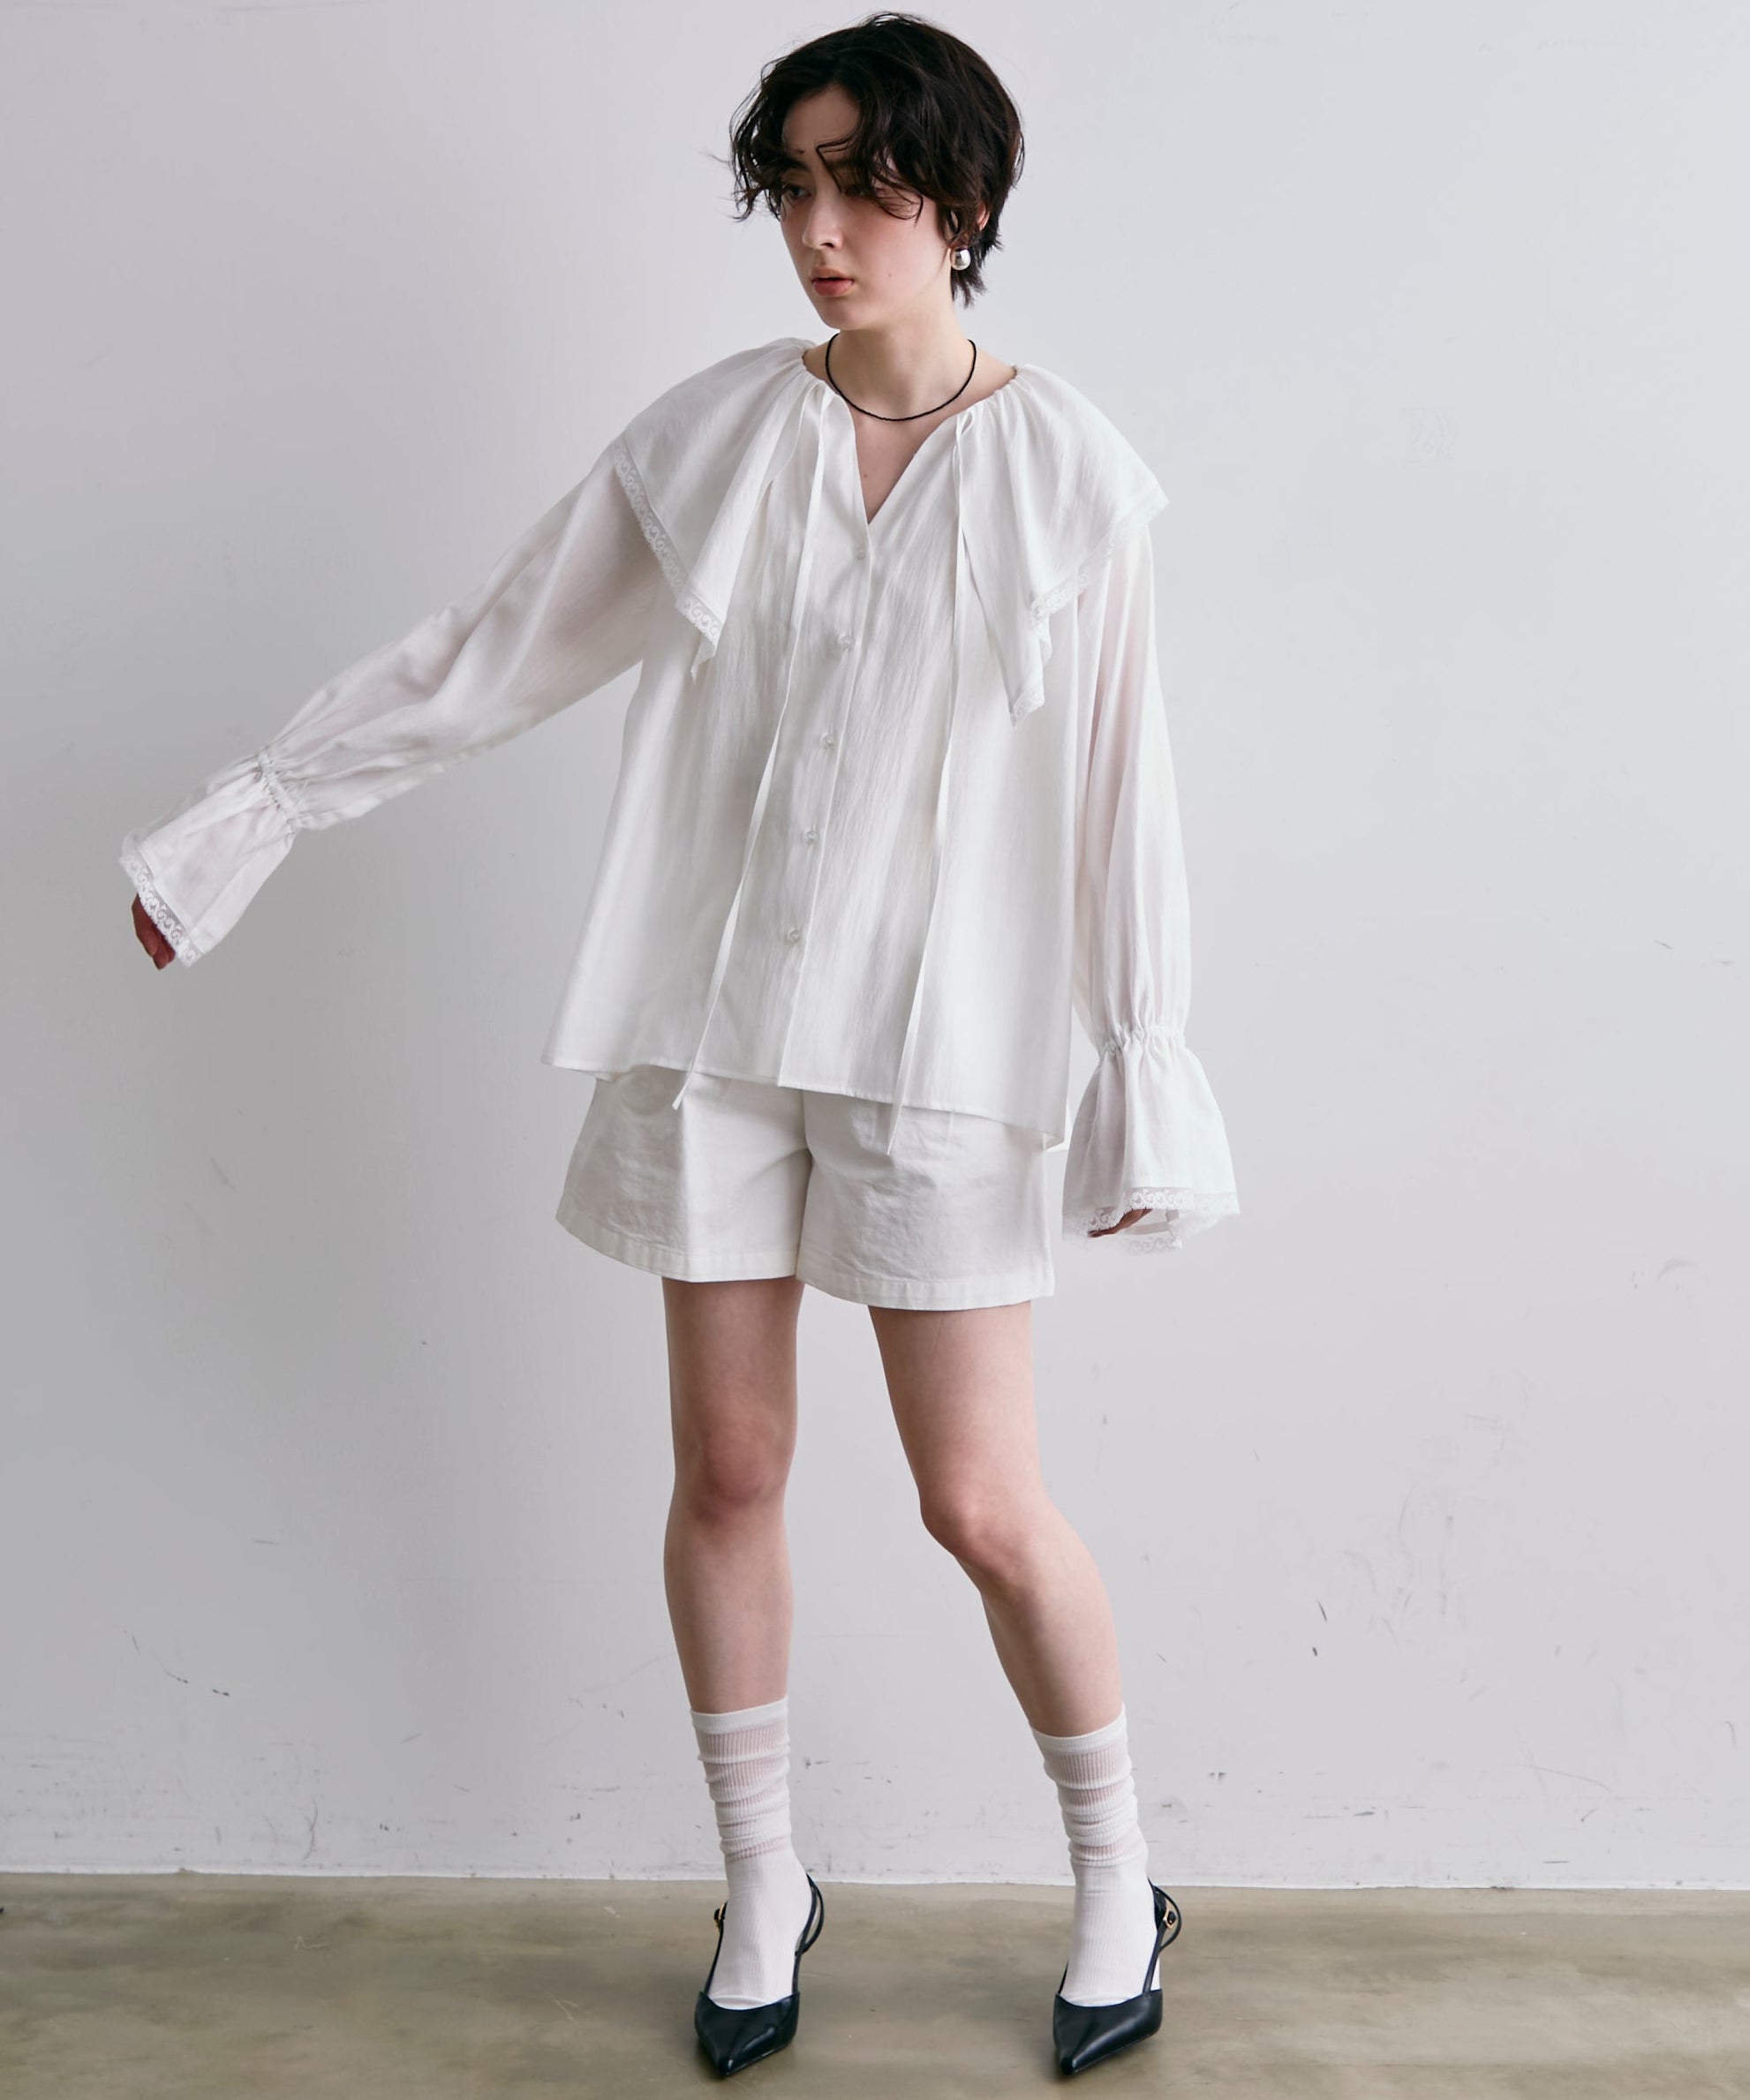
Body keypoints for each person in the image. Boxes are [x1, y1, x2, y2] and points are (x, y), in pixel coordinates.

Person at [121, 9, 1237, 2080]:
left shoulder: (1072, 474)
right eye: (791, 186)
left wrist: (1136, 1063)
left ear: (965, 202)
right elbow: (498, 648)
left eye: (863, 187)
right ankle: (762, 1874)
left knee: (979, 1500)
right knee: (727, 1465)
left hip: (945, 1048)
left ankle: (1116, 1869)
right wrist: (257, 811)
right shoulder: (716, 438)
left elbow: (1120, 797)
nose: (819, 229)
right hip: (715, 1020)